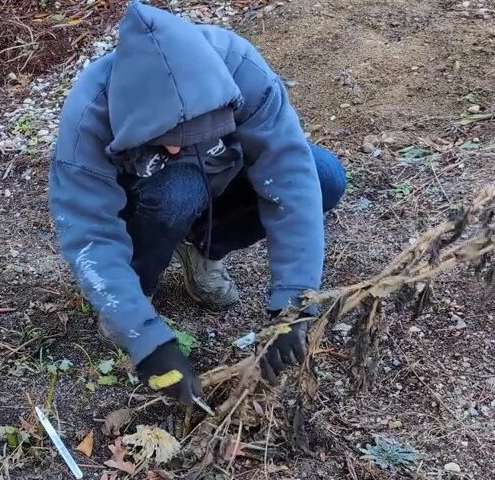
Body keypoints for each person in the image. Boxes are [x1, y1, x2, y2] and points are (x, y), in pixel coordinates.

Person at [49, 1, 346, 406]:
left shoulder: (242, 71)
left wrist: (295, 302)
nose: (174, 148)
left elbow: (291, 179)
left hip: (222, 182)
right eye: (164, 140)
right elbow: (89, 232)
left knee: (323, 175)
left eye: (186, 138)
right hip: (146, 206)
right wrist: (144, 336)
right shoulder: (90, 114)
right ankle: (139, 287)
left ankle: (203, 248)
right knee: (177, 191)